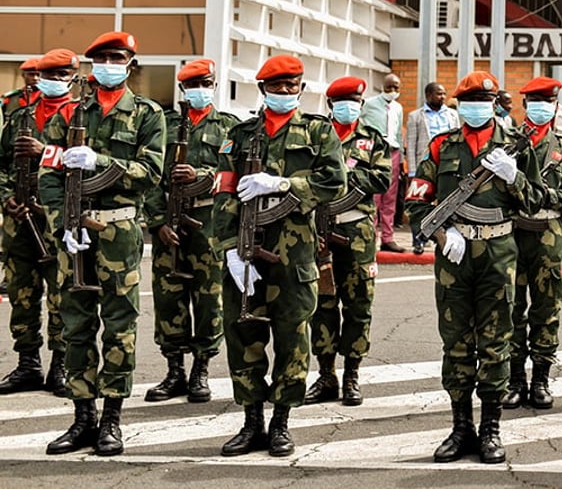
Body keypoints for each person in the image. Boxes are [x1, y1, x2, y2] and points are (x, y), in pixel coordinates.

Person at [401, 70, 544, 464]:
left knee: (496, 343)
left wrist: (513, 177)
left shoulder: (516, 147)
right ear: (459, 106)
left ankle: (491, 428)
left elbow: (534, 201)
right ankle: (460, 426)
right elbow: (416, 202)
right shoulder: (441, 146)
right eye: (469, 102)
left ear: (495, 104)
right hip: (454, 257)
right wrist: (443, 236)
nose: (476, 108)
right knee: (456, 343)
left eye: (484, 101)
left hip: (498, 253)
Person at [211, 54, 346, 458]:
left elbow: (334, 182)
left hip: (295, 253)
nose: (284, 93)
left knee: (292, 337)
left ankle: (281, 422)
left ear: (302, 90)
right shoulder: (240, 135)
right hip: (246, 248)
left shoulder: (319, 133)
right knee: (243, 335)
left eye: (292, 87)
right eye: (276, 87)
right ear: (263, 90)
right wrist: (230, 249)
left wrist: (285, 183)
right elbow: (223, 193)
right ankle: (251, 421)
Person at [39, 31, 166, 457]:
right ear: (92, 64)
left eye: (118, 57)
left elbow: (151, 172)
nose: (110, 63)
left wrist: (101, 162)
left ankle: (112, 418)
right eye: (103, 58)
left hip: (119, 231)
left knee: (118, 326)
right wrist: (62, 223)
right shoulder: (70, 115)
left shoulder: (149, 115)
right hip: (75, 233)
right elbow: (48, 175)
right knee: (75, 325)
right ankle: (82, 417)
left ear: (130, 64)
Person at [142, 59, 239, 405]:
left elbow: (234, 175)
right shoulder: (165, 124)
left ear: (214, 85)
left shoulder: (229, 127)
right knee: (169, 297)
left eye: (206, 83)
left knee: (209, 299)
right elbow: (151, 176)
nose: (200, 89)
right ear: (182, 89)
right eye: (193, 84)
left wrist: (202, 177)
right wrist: (157, 222)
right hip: (170, 220)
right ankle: (174, 371)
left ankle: (201, 369)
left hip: (208, 222)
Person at [303, 76, 392, 407]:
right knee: (323, 303)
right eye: (344, 102)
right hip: (319, 230)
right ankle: (326, 375)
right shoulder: (314, 137)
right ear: (330, 105)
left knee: (358, 305)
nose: (350, 107)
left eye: (355, 102)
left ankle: (352, 374)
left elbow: (382, 178)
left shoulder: (372, 140)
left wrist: (339, 173)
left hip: (357, 232)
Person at [504, 76, 562, 411]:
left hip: (548, 232)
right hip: (511, 232)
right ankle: (514, 380)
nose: (542, 107)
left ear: (555, 106)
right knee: (511, 309)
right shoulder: (507, 143)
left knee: (546, 308)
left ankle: (540, 379)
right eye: (536, 102)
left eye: (548, 102)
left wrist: (548, 196)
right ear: (525, 106)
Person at [0, 50, 75, 397]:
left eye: (60, 74)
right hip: (19, 218)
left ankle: (60, 364)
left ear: (72, 77)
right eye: (46, 74)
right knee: (22, 293)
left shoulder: (80, 117)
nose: (50, 80)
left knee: (61, 294)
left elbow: (86, 166)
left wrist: (44, 149)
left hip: (57, 218)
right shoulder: (19, 116)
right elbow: (1, 166)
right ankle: (28, 362)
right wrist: (6, 198)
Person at [405, 82, 461, 255]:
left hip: (447, 167)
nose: (443, 97)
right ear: (428, 95)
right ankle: (418, 241)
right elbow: (411, 145)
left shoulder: (452, 115)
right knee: (420, 204)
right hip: (424, 167)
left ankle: (443, 237)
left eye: (444, 93)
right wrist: (412, 171)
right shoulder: (416, 116)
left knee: (444, 203)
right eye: (438, 94)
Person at [360, 73, 405, 254]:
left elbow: (399, 135)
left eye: (396, 88)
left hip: (393, 152)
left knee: (390, 197)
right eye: (389, 88)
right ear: (382, 86)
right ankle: (371, 237)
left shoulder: (398, 107)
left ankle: (388, 238)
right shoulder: (369, 104)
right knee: (374, 196)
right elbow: (360, 125)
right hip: (374, 152)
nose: (392, 91)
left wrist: (401, 160)